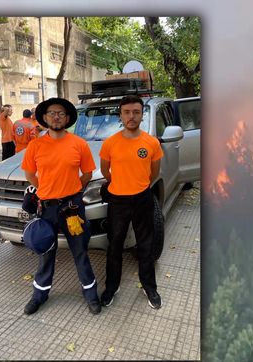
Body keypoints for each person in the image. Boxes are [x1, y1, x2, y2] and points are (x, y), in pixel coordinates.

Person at [21, 97, 102, 315]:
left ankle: (91, 294)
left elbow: (87, 173)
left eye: (61, 114)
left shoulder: (79, 144)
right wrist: (46, 188)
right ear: (45, 118)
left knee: (80, 251)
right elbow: (29, 173)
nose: (56, 117)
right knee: (46, 253)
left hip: (72, 207)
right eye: (52, 113)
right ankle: (39, 295)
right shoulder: (35, 145)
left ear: (67, 118)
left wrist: (74, 190)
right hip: (46, 209)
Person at [98, 95, 164, 309]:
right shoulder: (110, 143)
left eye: (136, 112)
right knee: (115, 244)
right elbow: (105, 171)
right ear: (120, 115)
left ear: (142, 115)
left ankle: (149, 286)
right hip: (117, 200)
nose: (131, 116)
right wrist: (121, 184)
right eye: (127, 112)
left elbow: (154, 173)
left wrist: (138, 185)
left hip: (142, 198)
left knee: (146, 244)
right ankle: (111, 286)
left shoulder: (151, 143)